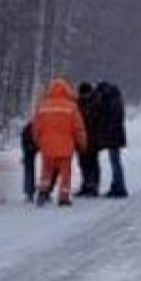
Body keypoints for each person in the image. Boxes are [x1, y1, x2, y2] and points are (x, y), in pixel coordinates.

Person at [31, 77, 89, 206]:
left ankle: (43, 192)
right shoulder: (72, 107)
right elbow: (79, 128)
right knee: (65, 173)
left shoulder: (43, 106)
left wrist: (37, 141)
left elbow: (36, 126)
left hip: (47, 146)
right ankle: (64, 197)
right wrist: (82, 143)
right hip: (65, 147)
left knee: (46, 172)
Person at [95, 80, 129, 197]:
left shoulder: (110, 100)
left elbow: (109, 118)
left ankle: (119, 187)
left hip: (114, 135)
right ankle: (117, 185)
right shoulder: (115, 97)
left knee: (115, 162)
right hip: (116, 135)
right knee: (115, 161)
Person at [76, 82, 102, 197]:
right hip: (82, 137)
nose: (82, 97)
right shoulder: (79, 102)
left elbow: (96, 119)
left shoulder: (96, 102)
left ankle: (93, 186)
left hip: (93, 137)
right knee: (83, 162)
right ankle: (86, 184)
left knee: (92, 162)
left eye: (84, 95)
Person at [18, 119, 38, 203]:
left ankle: (31, 191)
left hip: (38, 138)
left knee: (28, 161)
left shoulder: (30, 126)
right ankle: (44, 191)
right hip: (33, 139)